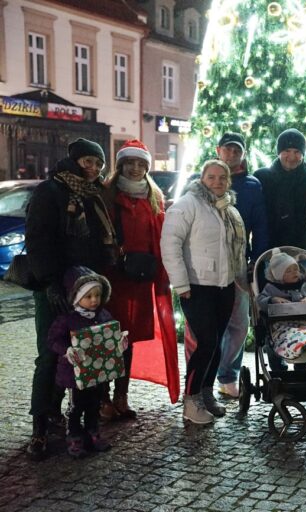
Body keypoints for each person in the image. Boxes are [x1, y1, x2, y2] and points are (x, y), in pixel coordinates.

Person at [25, 138, 117, 460]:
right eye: (88, 162)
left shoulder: (94, 196)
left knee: (85, 357)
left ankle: (74, 419)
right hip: (55, 288)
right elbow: (38, 239)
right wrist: (50, 283)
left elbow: (97, 241)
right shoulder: (50, 191)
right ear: (74, 161)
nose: (93, 169)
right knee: (50, 356)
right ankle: (39, 428)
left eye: (99, 164)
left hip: (85, 290)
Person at [161, 159, 246, 425]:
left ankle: (206, 393)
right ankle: (191, 400)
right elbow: (170, 243)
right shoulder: (189, 204)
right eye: (211, 177)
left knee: (216, 342)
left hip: (225, 284)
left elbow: (236, 248)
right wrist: (181, 283)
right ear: (202, 179)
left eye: (222, 178)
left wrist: (241, 280)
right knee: (206, 342)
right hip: (197, 286)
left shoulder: (228, 208)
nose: (217, 182)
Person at [101, 139, 179, 419]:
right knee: (106, 336)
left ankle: (121, 395)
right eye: (130, 163)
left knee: (128, 338)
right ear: (120, 165)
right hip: (112, 279)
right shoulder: (107, 195)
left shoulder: (153, 196)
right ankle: (102, 398)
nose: (135, 169)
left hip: (141, 278)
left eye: (140, 164)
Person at [209, 132, 268, 398]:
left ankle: (228, 375)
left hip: (238, 264)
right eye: (228, 150)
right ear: (218, 150)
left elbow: (260, 224)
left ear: (243, 153)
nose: (232, 155)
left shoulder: (252, 185)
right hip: (207, 266)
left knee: (239, 324)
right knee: (208, 326)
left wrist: (256, 257)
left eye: (237, 151)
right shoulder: (204, 180)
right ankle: (202, 378)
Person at [48, 266, 121, 457]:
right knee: (76, 407)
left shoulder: (103, 315)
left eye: (97, 295)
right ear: (76, 298)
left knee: (93, 404)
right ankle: (74, 436)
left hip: (97, 373)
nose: (94, 300)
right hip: (73, 375)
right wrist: (66, 350)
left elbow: (109, 335)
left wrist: (118, 342)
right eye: (88, 296)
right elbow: (53, 340)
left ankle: (92, 432)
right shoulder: (67, 319)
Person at [254, 128, 306, 253]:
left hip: (303, 251)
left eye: (297, 152)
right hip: (269, 250)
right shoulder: (262, 177)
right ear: (278, 152)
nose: (291, 156)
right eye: (286, 151)